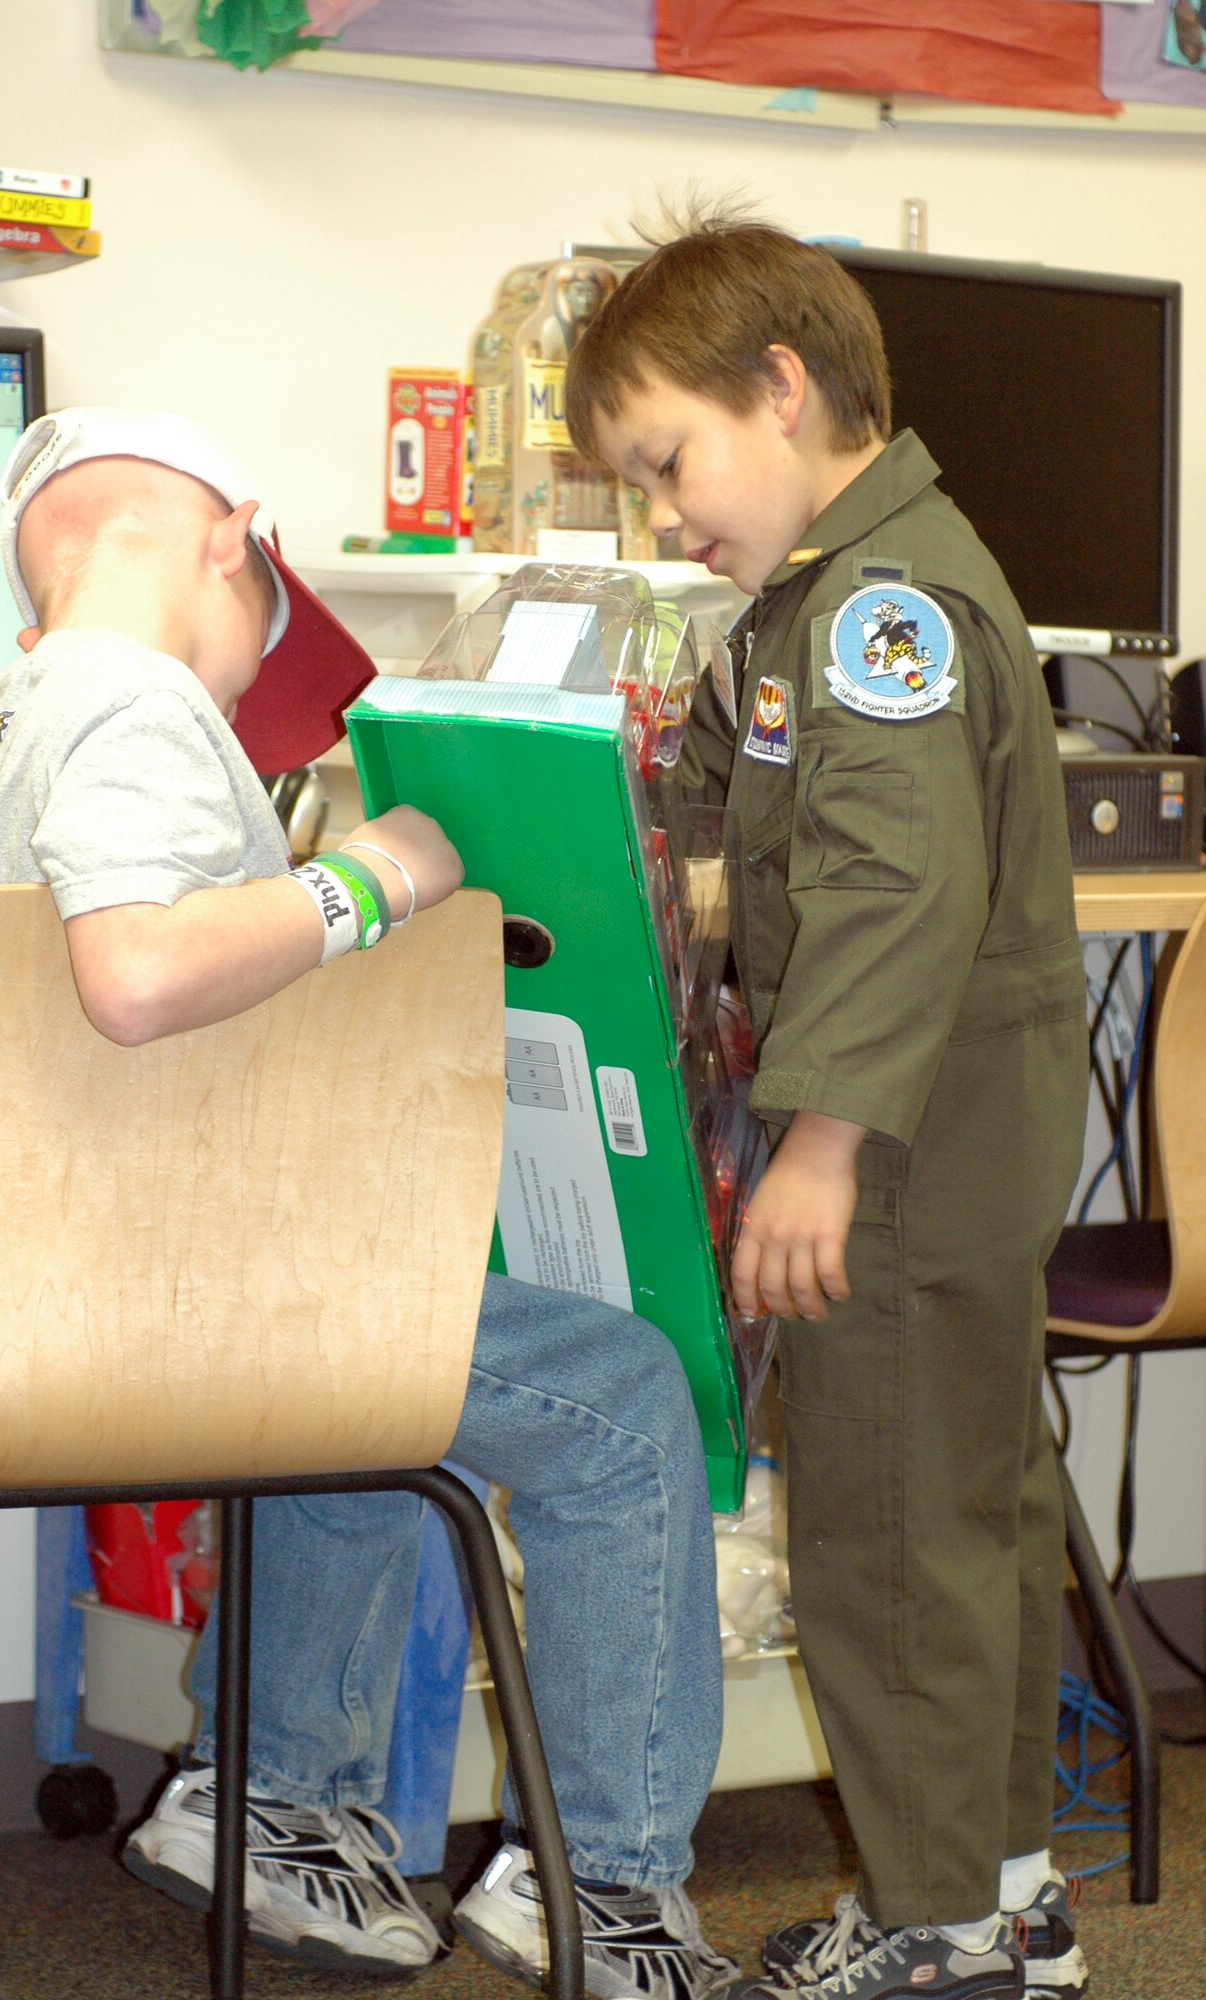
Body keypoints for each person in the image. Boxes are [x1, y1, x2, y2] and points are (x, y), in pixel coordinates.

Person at [0, 406, 737, 2000]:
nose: (235, 691)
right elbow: (141, 976)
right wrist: (379, 880)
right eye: (249, 660)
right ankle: (612, 1893)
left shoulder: (10, 724)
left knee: (370, 1346)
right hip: (158, 1305)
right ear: (229, 535)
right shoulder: (140, 706)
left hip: (53, 1288)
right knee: (628, 1406)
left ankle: (272, 1800)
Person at [566, 210, 1091, 2000]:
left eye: (666, 461)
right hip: (954, 1140)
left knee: (881, 1537)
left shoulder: (880, 615)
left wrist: (814, 1148)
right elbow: (732, 768)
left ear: (778, 393)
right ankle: (1000, 1891)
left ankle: (941, 1930)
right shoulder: (825, 601)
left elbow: (888, 892)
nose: (660, 514)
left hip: (903, 1155)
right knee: (962, 1518)